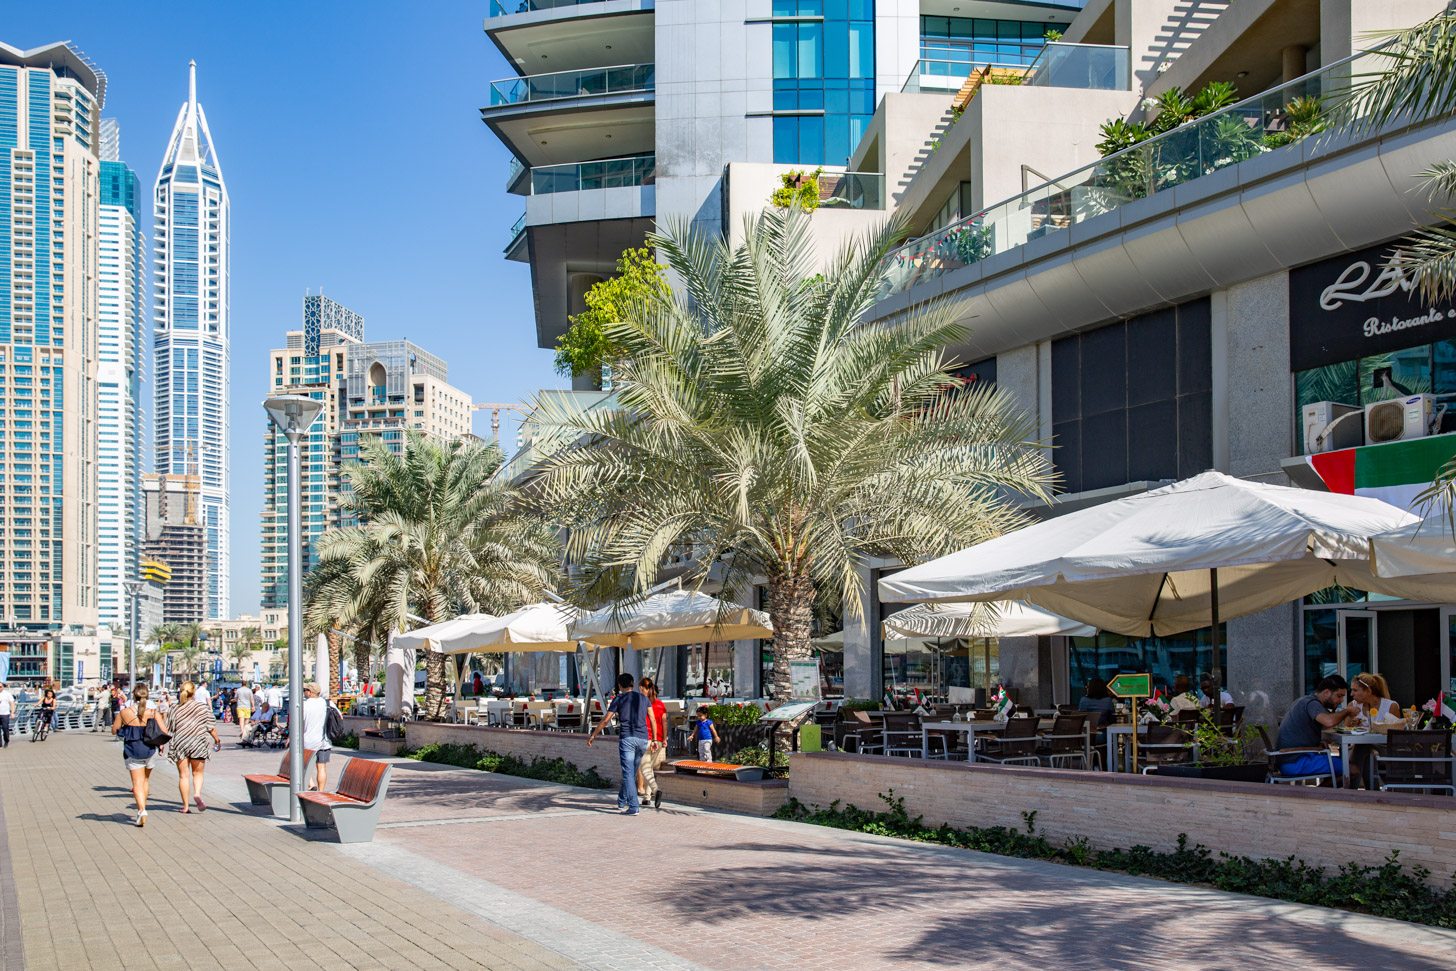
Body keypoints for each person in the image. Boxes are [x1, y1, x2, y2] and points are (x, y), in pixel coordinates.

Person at [1274, 675, 1361, 786]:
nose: (1341, 701)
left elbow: (1321, 725)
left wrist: (1315, 743)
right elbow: (1328, 722)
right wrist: (1347, 712)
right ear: (1326, 692)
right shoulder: (1313, 703)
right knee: (1353, 770)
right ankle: (1318, 795)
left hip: (1289, 759)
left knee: (1342, 766)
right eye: (1339, 696)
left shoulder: (1305, 700)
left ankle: (1319, 794)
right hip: (1295, 762)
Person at [586, 673, 653, 816]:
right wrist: (654, 738)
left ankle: (634, 806)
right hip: (643, 739)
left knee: (628, 773)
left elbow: (606, 720)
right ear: (633, 684)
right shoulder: (644, 698)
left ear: (620, 686)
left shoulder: (618, 699)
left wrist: (593, 734)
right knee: (632, 772)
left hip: (627, 739)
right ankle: (622, 800)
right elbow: (652, 718)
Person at [114, 685, 167, 827]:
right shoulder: (152, 712)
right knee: (145, 780)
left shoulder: (124, 712)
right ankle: (143, 807)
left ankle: (141, 810)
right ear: (147, 695)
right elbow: (164, 730)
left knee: (137, 783)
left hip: (132, 749)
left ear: (134, 695)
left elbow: (114, 730)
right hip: (149, 749)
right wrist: (161, 745)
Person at [169, 682, 220, 813]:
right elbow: (210, 727)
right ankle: (197, 793)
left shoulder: (175, 708)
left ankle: (185, 806)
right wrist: (217, 740)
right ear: (194, 692)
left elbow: (170, 728)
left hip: (180, 742)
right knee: (198, 773)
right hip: (198, 741)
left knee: (183, 776)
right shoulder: (202, 708)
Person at [636, 676, 667, 811]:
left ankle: (655, 790)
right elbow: (664, 722)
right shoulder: (660, 704)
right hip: (658, 740)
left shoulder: (641, 702)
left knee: (645, 768)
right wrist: (664, 739)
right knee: (650, 768)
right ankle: (647, 797)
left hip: (645, 738)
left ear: (643, 688)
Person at [300, 681, 334, 792]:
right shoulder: (327, 703)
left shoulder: (304, 705)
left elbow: (299, 722)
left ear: (310, 692)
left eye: (305, 690)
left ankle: (311, 784)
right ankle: (321, 791)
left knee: (304, 765)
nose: (304, 692)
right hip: (324, 741)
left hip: (307, 741)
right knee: (321, 767)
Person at [0, 682, 14, 748]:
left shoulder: (7, 694)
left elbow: (12, 703)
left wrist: (12, 712)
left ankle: (6, 741)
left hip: (5, 714)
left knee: (5, 728)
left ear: (3, 687)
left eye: (0, 687)